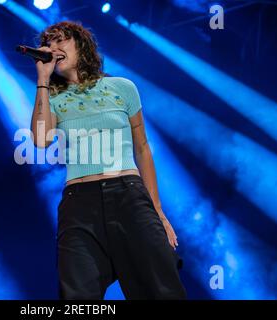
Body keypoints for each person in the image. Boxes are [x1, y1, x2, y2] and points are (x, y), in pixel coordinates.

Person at [30, 21, 187, 300]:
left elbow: (142, 148)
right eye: (48, 44)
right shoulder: (51, 98)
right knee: (76, 296)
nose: (53, 49)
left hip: (128, 195)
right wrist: (43, 79)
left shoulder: (122, 87)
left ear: (81, 45)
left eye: (60, 41)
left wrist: (158, 212)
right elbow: (41, 139)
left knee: (161, 289)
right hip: (79, 203)